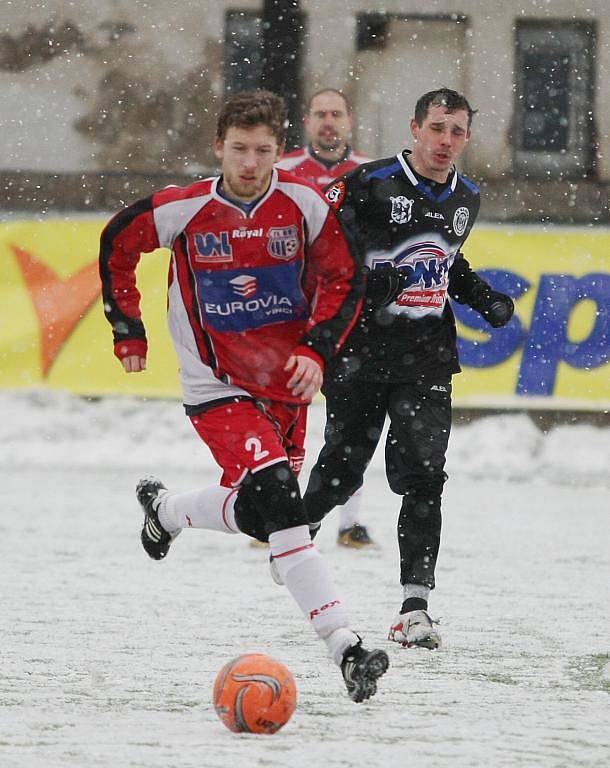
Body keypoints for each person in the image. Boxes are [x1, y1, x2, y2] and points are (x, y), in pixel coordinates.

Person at [98, 90, 388, 702]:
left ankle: (170, 512)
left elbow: (345, 276)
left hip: (284, 382)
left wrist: (316, 349)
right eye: (238, 150)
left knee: (266, 514)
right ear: (218, 148)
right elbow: (118, 243)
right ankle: (346, 648)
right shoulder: (185, 208)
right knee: (283, 507)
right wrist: (128, 325)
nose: (250, 163)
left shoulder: (303, 205)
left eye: (261, 151)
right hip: (217, 384)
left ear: (279, 151)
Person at [302, 88, 515, 650]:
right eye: (437, 128)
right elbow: (320, 254)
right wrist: (374, 286)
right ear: (415, 128)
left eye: (457, 132)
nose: (446, 142)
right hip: (362, 353)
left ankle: (414, 607)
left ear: (467, 138)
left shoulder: (467, 196)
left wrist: (481, 295)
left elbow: (447, 259)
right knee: (343, 470)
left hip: (426, 359)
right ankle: (297, 538)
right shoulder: (369, 184)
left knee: (424, 478)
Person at [276, 88, 374, 549]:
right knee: (281, 411)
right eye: (320, 114)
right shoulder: (282, 172)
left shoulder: (371, 174)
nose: (329, 122)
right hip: (292, 310)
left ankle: (349, 522)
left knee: (351, 420)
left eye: (336, 113)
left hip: (349, 312)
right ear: (307, 121)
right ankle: (273, 506)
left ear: (349, 120)